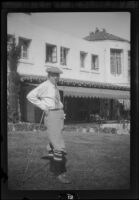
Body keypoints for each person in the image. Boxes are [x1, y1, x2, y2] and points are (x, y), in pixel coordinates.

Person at [26, 66, 70, 184]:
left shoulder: (54, 86)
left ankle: (52, 167)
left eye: (58, 75)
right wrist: (43, 107)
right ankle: (59, 173)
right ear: (48, 75)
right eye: (54, 75)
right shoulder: (45, 85)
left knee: (53, 142)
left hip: (58, 115)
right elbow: (30, 96)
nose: (56, 77)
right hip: (52, 115)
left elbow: (56, 101)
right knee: (59, 145)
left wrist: (62, 112)